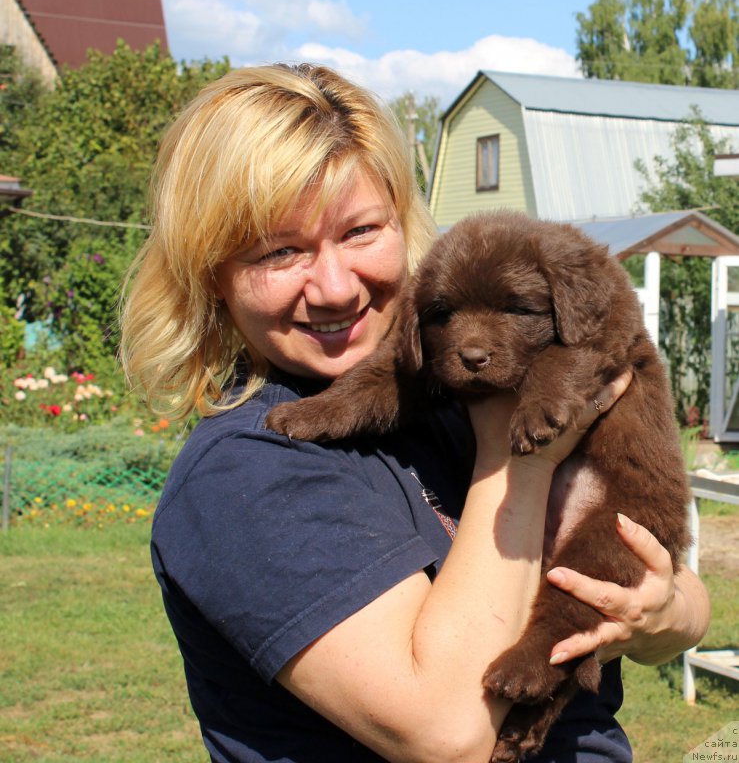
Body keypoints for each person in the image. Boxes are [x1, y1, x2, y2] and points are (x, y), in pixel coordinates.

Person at [120, 63, 709, 763]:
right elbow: (446, 737)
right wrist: (517, 461)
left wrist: (660, 615)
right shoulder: (244, 476)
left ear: (402, 221)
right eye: (279, 251)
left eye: (361, 231)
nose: (335, 287)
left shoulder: (450, 383)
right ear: (209, 275)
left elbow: (683, 605)